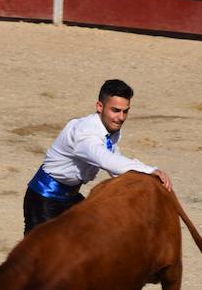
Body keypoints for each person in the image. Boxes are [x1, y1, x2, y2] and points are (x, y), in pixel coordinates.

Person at [23, 79, 172, 234]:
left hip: (70, 198)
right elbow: (106, 160)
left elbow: (115, 162)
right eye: (115, 110)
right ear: (99, 107)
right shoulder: (84, 132)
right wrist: (149, 170)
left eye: (125, 111)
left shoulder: (109, 129)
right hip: (43, 200)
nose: (121, 117)